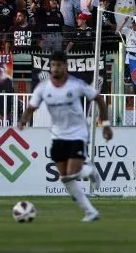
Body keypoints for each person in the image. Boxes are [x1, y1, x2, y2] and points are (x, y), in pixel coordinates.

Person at [18, 49, 112, 222]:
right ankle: (90, 211)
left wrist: (105, 124)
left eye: (59, 65)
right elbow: (31, 107)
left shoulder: (76, 84)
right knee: (65, 178)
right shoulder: (43, 88)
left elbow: (99, 99)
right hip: (58, 135)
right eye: (53, 65)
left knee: (72, 173)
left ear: (65, 67)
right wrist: (23, 120)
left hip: (78, 133)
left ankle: (90, 170)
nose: (55, 68)